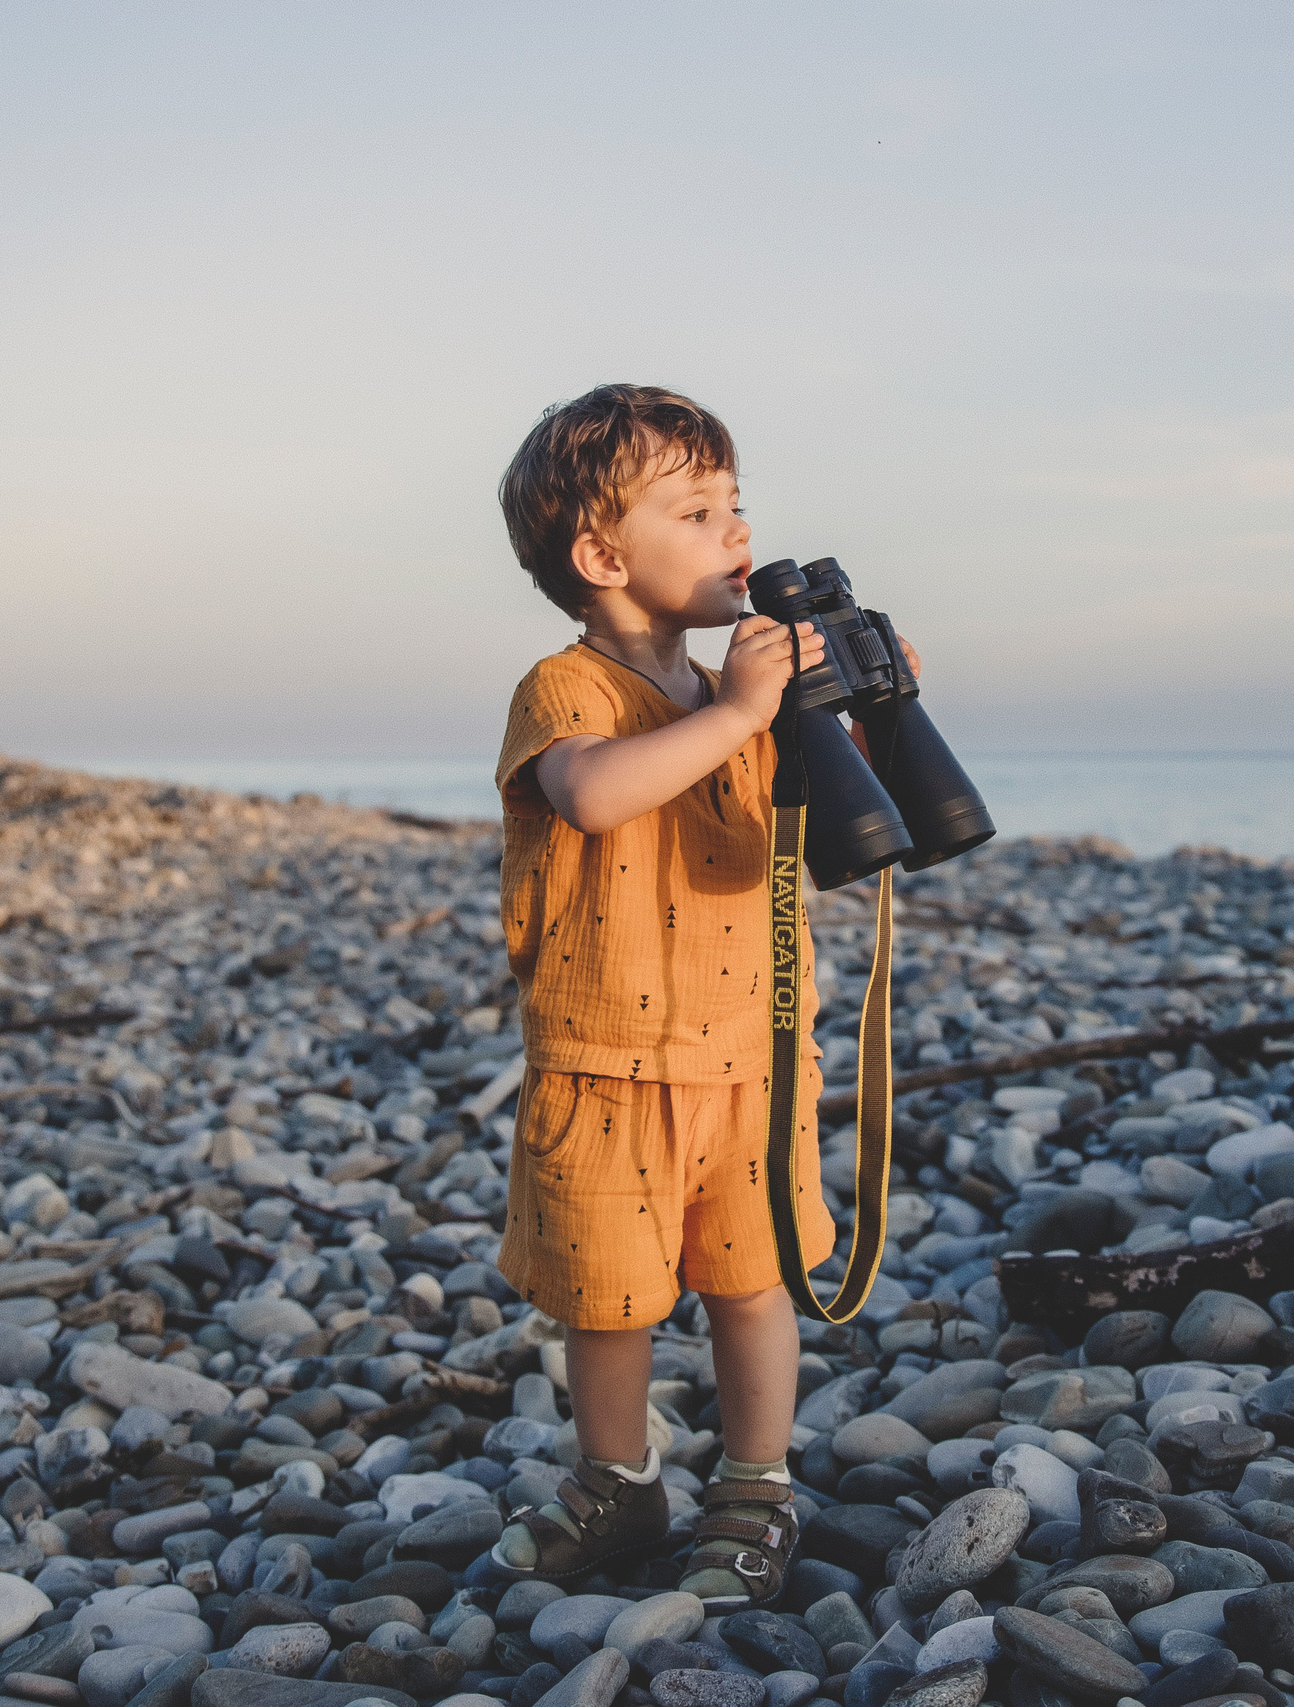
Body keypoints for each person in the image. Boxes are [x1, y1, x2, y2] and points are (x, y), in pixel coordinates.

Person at [482, 383, 916, 1603]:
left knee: (752, 1279)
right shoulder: (564, 691)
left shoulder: (743, 701)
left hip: (753, 1064)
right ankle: (618, 1484)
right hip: (605, 1064)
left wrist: (865, 709)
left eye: (738, 504)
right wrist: (738, 707)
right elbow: (596, 795)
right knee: (609, 1302)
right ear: (602, 555)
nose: (736, 532)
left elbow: (834, 838)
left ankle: (756, 1482)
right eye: (699, 509)